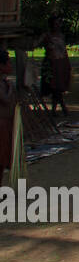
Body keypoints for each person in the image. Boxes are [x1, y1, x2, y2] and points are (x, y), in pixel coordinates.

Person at [35, 16, 72, 117]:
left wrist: (67, 64)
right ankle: (61, 108)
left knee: (59, 87)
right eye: (55, 24)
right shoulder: (46, 35)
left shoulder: (61, 36)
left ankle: (56, 109)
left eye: (59, 24)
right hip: (51, 63)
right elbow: (35, 44)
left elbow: (64, 50)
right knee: (54, 87)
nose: (57, 26)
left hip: (62, 62)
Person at [0, 50, 18, 186]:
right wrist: (11, 87)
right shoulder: (3, 84)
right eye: (8, 62)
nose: (11, 65)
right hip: (1, 124)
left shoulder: (3, 82)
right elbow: (5, 100)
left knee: (3, 159)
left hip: (6, 122)